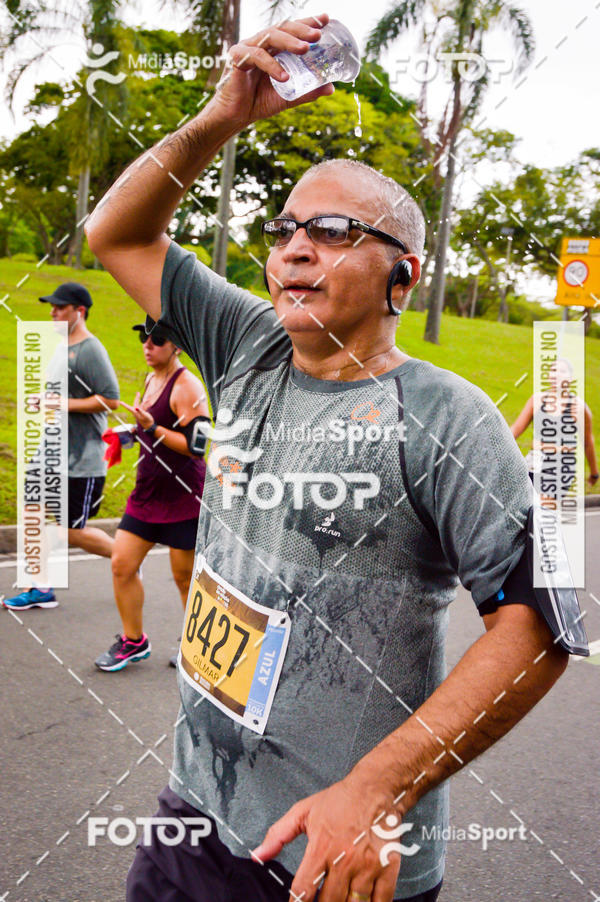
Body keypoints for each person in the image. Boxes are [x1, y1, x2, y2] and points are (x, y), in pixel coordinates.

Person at [85, 14, 573, 902]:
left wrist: (376, 792)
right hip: (194, 813)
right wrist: (220, 118)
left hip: (336, 853)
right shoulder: (247, 342)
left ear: (404, 277)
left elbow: (540, 623)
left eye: (337, 230)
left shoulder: (444, 419)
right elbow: (116, 235)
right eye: (284, 230)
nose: (295, 248)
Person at [95, 323, 209, 671]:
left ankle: (196, 650)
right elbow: (152, 429)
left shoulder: (188, 386)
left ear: (176, 345)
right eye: (143, 337)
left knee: (185, 577)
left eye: (157, 339)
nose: (148, 345)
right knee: (121, 564)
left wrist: (151, 428)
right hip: (147, 493)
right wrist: (131, 432)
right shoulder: (151, 378)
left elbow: (197, 446)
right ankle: (133, 642)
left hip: (183, 496)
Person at [4, 282, 119, 611]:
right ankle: (40, 588)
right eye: (51, 307)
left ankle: (124, 557)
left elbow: (110, 400)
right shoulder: (60, 345)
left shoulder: (91, 349)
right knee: (32, 514)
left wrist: (61, 404)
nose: (52, 313)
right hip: (50, 452)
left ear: (79, 311)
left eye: (59, 307)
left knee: (71, 531)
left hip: (81, 458)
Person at [511, 357, 599, 489]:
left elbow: (587, 443)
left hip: (561, 466)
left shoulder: (580, 408)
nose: (556, 374)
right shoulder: (537, 400)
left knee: (544, 506)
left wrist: (594, 473)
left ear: (571, 378)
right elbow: (516, 429)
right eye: (553, 370)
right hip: (534, 461)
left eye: (562, 371)